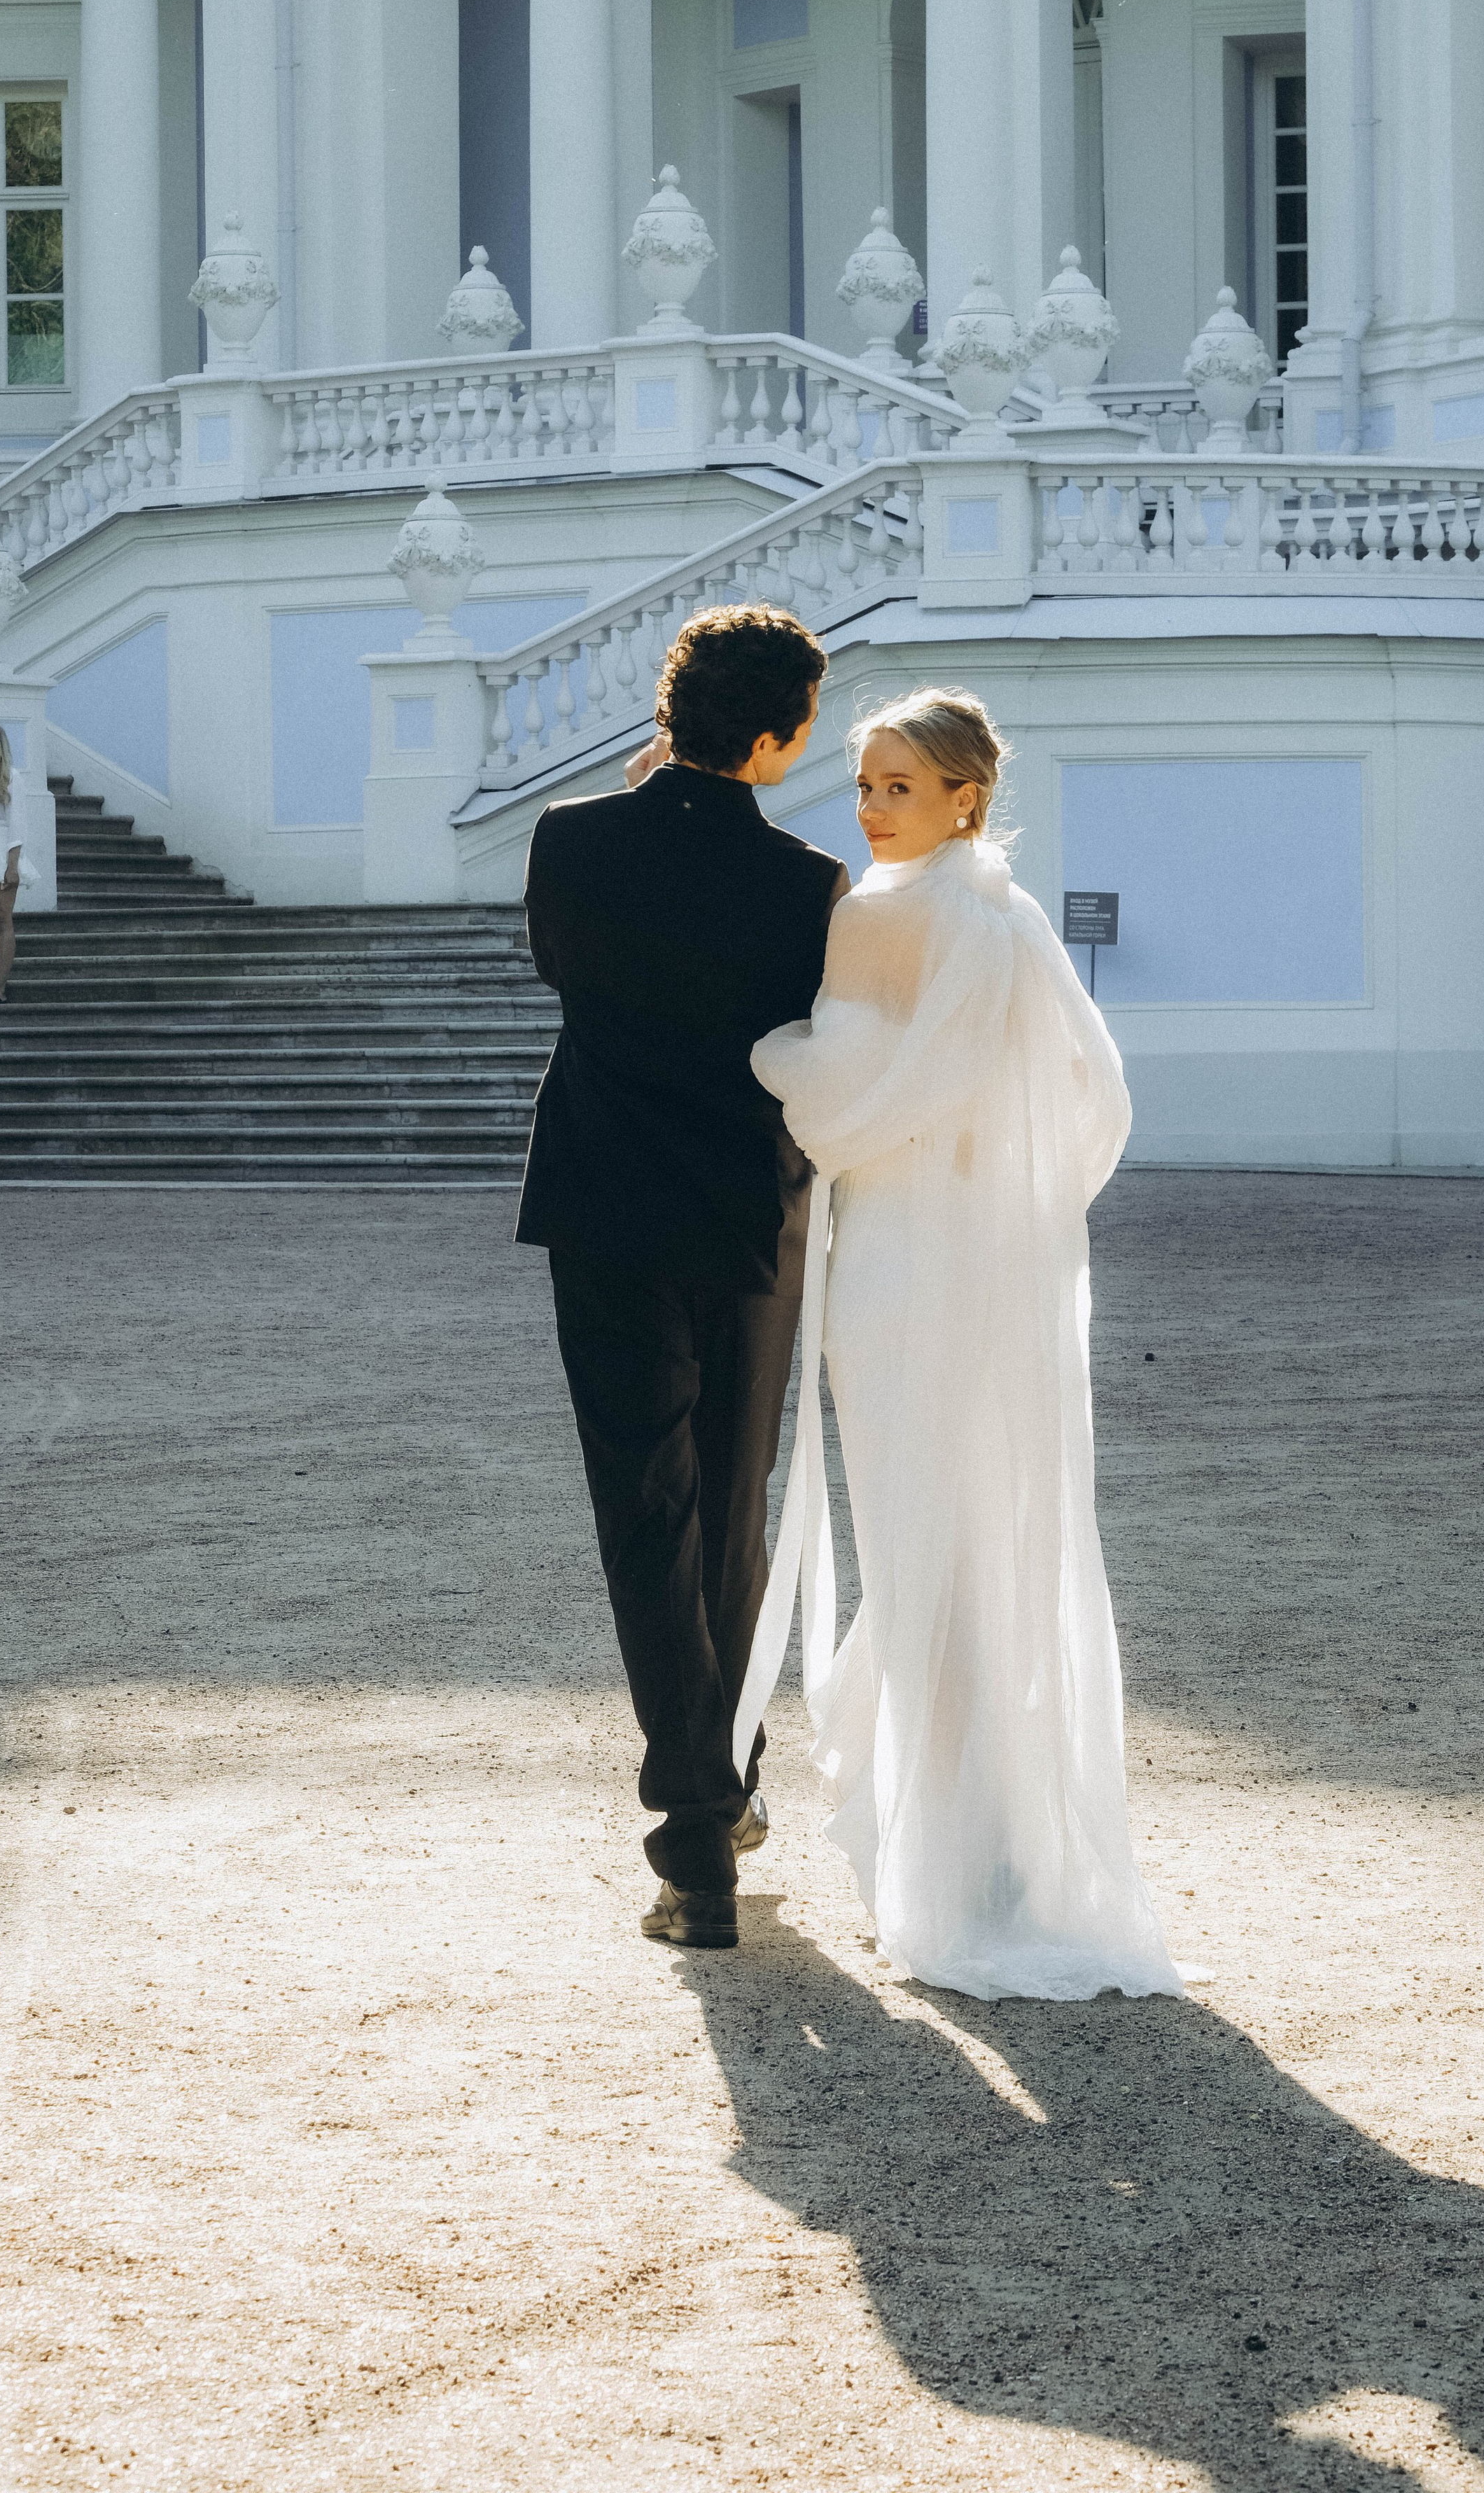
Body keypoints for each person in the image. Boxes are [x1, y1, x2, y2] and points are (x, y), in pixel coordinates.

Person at [748, 690, 1180, 2002]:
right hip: (992, 1263)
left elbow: (840, 1098)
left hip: (897, 1265)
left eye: (894, 786)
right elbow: (1094, 1097)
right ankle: (997, 1852)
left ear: (963, 801)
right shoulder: (1009, 915)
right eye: (864, 783)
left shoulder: (878, 915)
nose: (869, 807)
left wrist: (770, 1057)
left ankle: (950, 1866)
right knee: (983, 1530)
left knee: (920, 1533)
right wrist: (1009, 1186)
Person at [519, 604, 848, 1953]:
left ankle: (697, 1837)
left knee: (644, 1513)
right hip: (746, 1221)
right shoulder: (808, 884)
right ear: (777, 735)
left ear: (669, 708)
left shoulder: (568, 842)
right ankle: (717, 1799)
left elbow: (563, 973)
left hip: (605, 1208)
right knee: (734, 1508)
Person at [0, 720, 28, 1006]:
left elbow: (17, 826)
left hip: (1, 852)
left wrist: (12, 865)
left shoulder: (11, 778)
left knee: (3, 920)